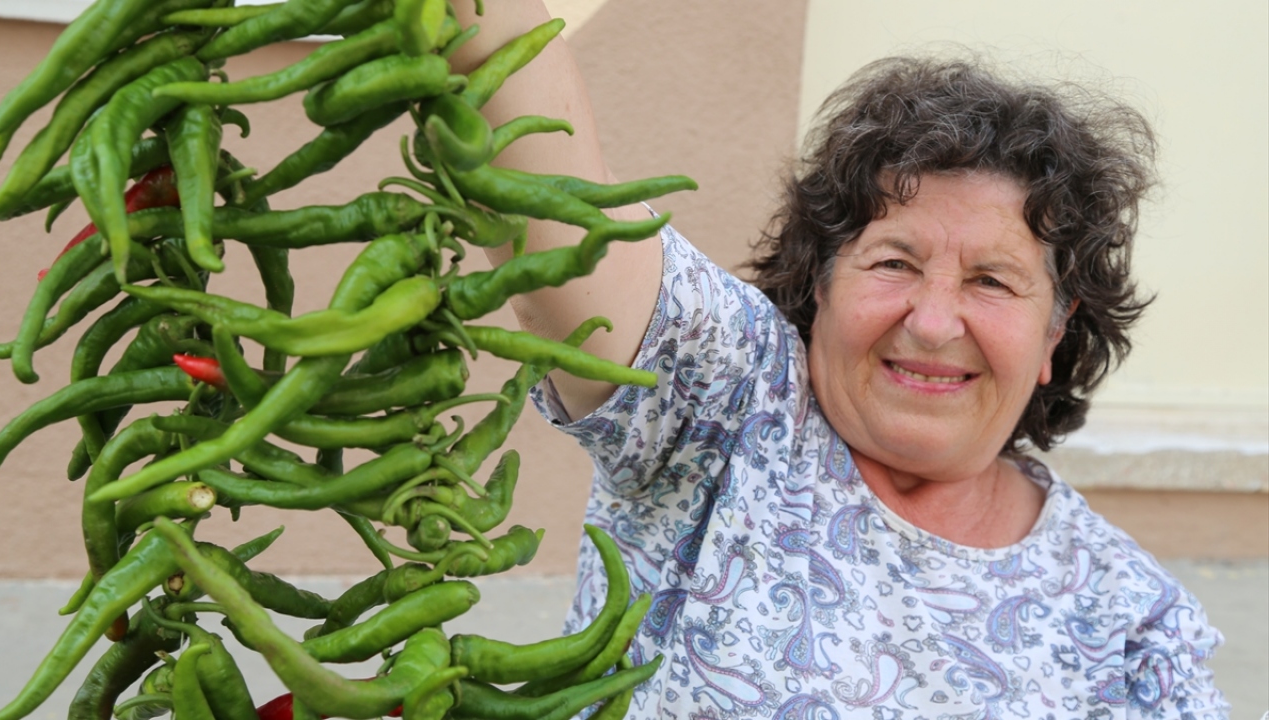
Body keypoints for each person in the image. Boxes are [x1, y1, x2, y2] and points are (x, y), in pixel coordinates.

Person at [449, 2, 1230, 718]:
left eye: (991, 281)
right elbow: (547, 182)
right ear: (819, 282)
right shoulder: (727, 403)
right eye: (893, 263)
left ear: (1055, 334)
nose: (930, 323)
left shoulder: (1130, 620)